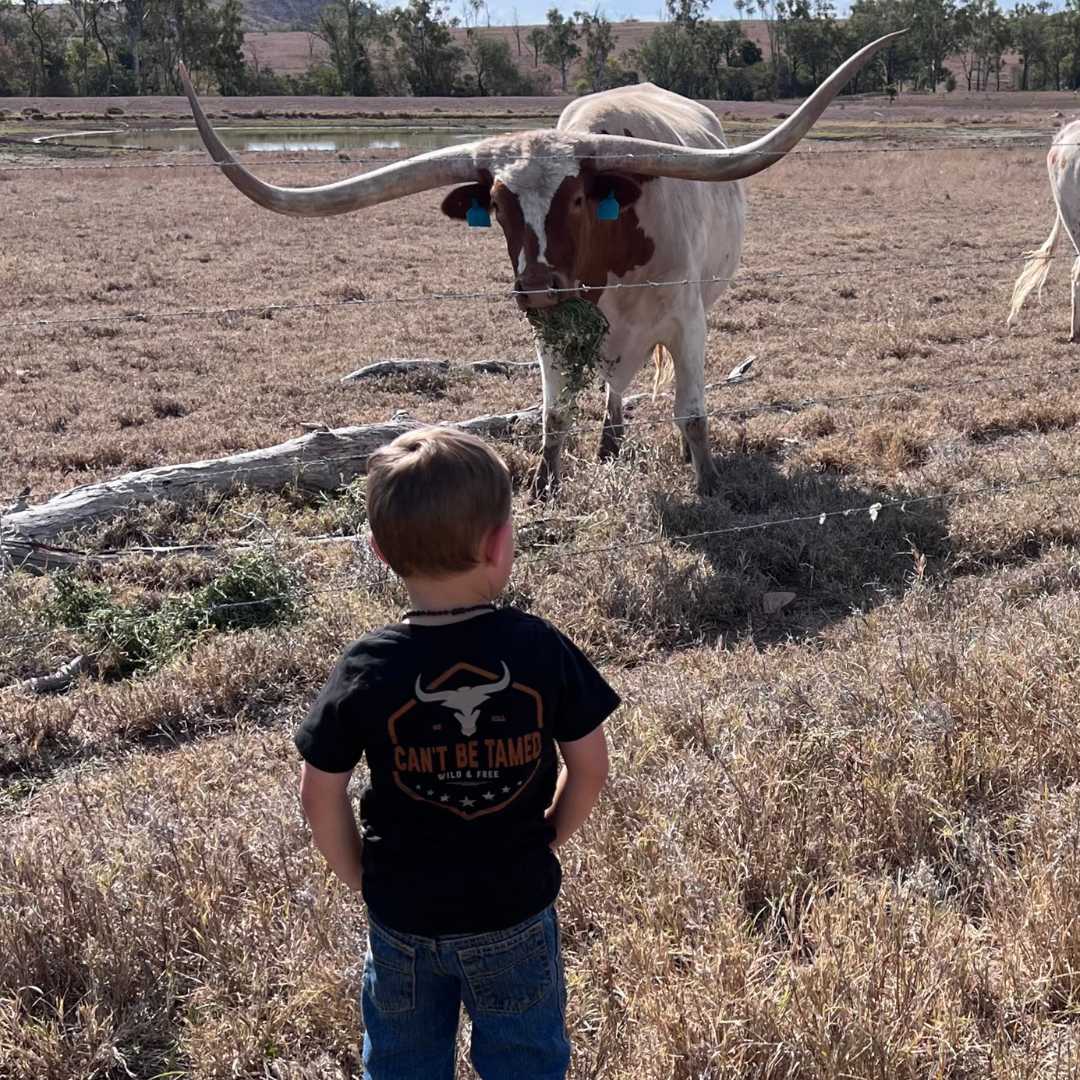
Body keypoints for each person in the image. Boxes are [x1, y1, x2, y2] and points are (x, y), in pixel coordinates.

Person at [294, 426, 619, 1080]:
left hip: (402, 919)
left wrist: (362, 877)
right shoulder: (540, 648)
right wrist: (549, 835)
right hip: (514, 910)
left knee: (404, 1065)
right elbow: (591, 768)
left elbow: (317, 791)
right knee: (524, 1063)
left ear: (380, 552)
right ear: (500, 544)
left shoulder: (367, 665)